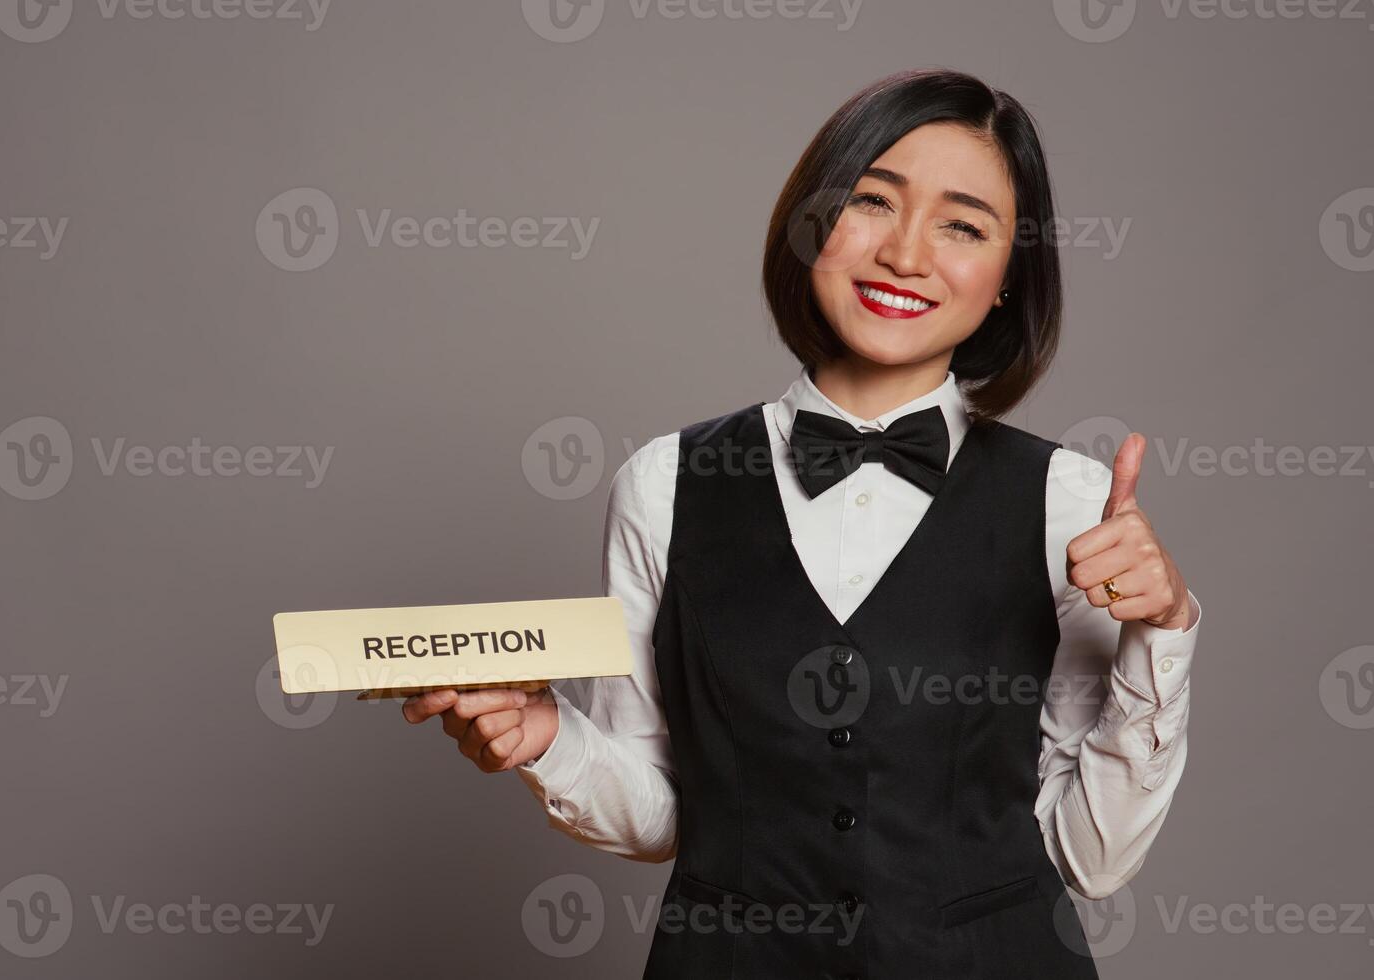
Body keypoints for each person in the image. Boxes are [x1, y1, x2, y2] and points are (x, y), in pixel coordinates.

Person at [402, 67, 1200, 979]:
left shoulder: (1069, 500)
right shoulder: (661, 483)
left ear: (1008, 279)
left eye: (962, 225)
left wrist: (1159, 632)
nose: (905, 253)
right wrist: (551, 741)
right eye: (873, 201)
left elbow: (1091, 859)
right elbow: (667, 813)